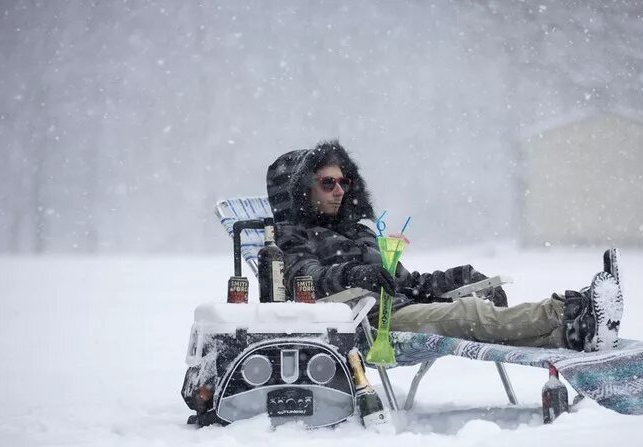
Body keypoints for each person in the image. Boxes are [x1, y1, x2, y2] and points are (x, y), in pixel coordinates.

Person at [267, 140, 623, 352]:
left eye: (343, 181)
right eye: (327, 183)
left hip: (398, 309)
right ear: (302, 189)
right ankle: (567, 312)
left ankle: (572, 334)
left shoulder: (357, 233)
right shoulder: (289, 237)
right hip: (367, 325)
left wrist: (457, 278)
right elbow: (305, 279)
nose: (339, 190)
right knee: (469, 315)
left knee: (472, 309)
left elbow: (405, 283)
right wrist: (354, 274)